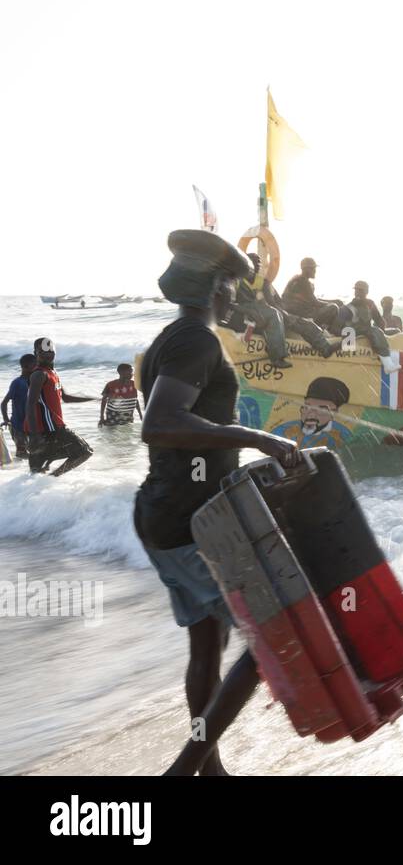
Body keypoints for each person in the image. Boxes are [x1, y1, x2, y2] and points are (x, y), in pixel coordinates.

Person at [136, 228, 301, 776]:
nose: (234, 295)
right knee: (271, 634)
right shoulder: (197, 341)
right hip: (190, 523)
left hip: (163, 515)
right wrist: (260, 439)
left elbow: (186, 431)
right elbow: (161, 425)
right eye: (230, 283)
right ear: (212, 288)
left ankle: (209, 770)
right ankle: (187, 768)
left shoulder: (169, 338)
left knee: (208, 645)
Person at [24, 338, 95, 476]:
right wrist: (34, 435)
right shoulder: (39, 374)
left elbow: (66, 398)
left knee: (36, 472)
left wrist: (95, 398)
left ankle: (45, 470)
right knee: (84, 451)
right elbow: (30, 405)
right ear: (35, 353)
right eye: (42, 351)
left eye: (50, 351)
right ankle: (52, 477)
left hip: (49, 428)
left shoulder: (53, 373)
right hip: (49, 428)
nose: (47, 354)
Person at [271, 376, 354, 449]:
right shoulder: (283, 431)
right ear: (302, 408)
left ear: (334, 413)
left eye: (322, 410)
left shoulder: (343, 436)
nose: (311, 415)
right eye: (308, 407)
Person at [281, 257, 342, 330]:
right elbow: (315, 302)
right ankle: (328, 330)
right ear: (306, 269)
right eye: (313, 268)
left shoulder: (296, 279)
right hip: (301, 315)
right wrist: (334, 303)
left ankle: (323, 328)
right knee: (333, 307)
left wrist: (333, 301)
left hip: (295, 313)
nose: (315, 271)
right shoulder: (303, 281)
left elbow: (313, 299)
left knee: (333, 304)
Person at [343, 281, 394, 362]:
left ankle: (387, 351)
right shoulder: (350, 306)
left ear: (366, 292)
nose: (357, 293)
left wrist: (382, 332)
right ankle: (385, 357)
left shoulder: (370, 304)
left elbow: (379, 321)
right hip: (356, 335)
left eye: (360, 290)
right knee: (374, 330)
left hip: (367, 332)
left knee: (396, 331)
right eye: (356, 290)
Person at [1, 354, 35, 458]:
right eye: (34, 365)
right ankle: (19, 472)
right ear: (25, 366)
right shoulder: (17, 383)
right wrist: (7, 420)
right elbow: (4, 403)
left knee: (35, 451)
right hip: (17, 425)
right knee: (22, 453)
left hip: (31, 425)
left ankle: (29, 471)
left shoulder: (35, 382)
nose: (37, 367)